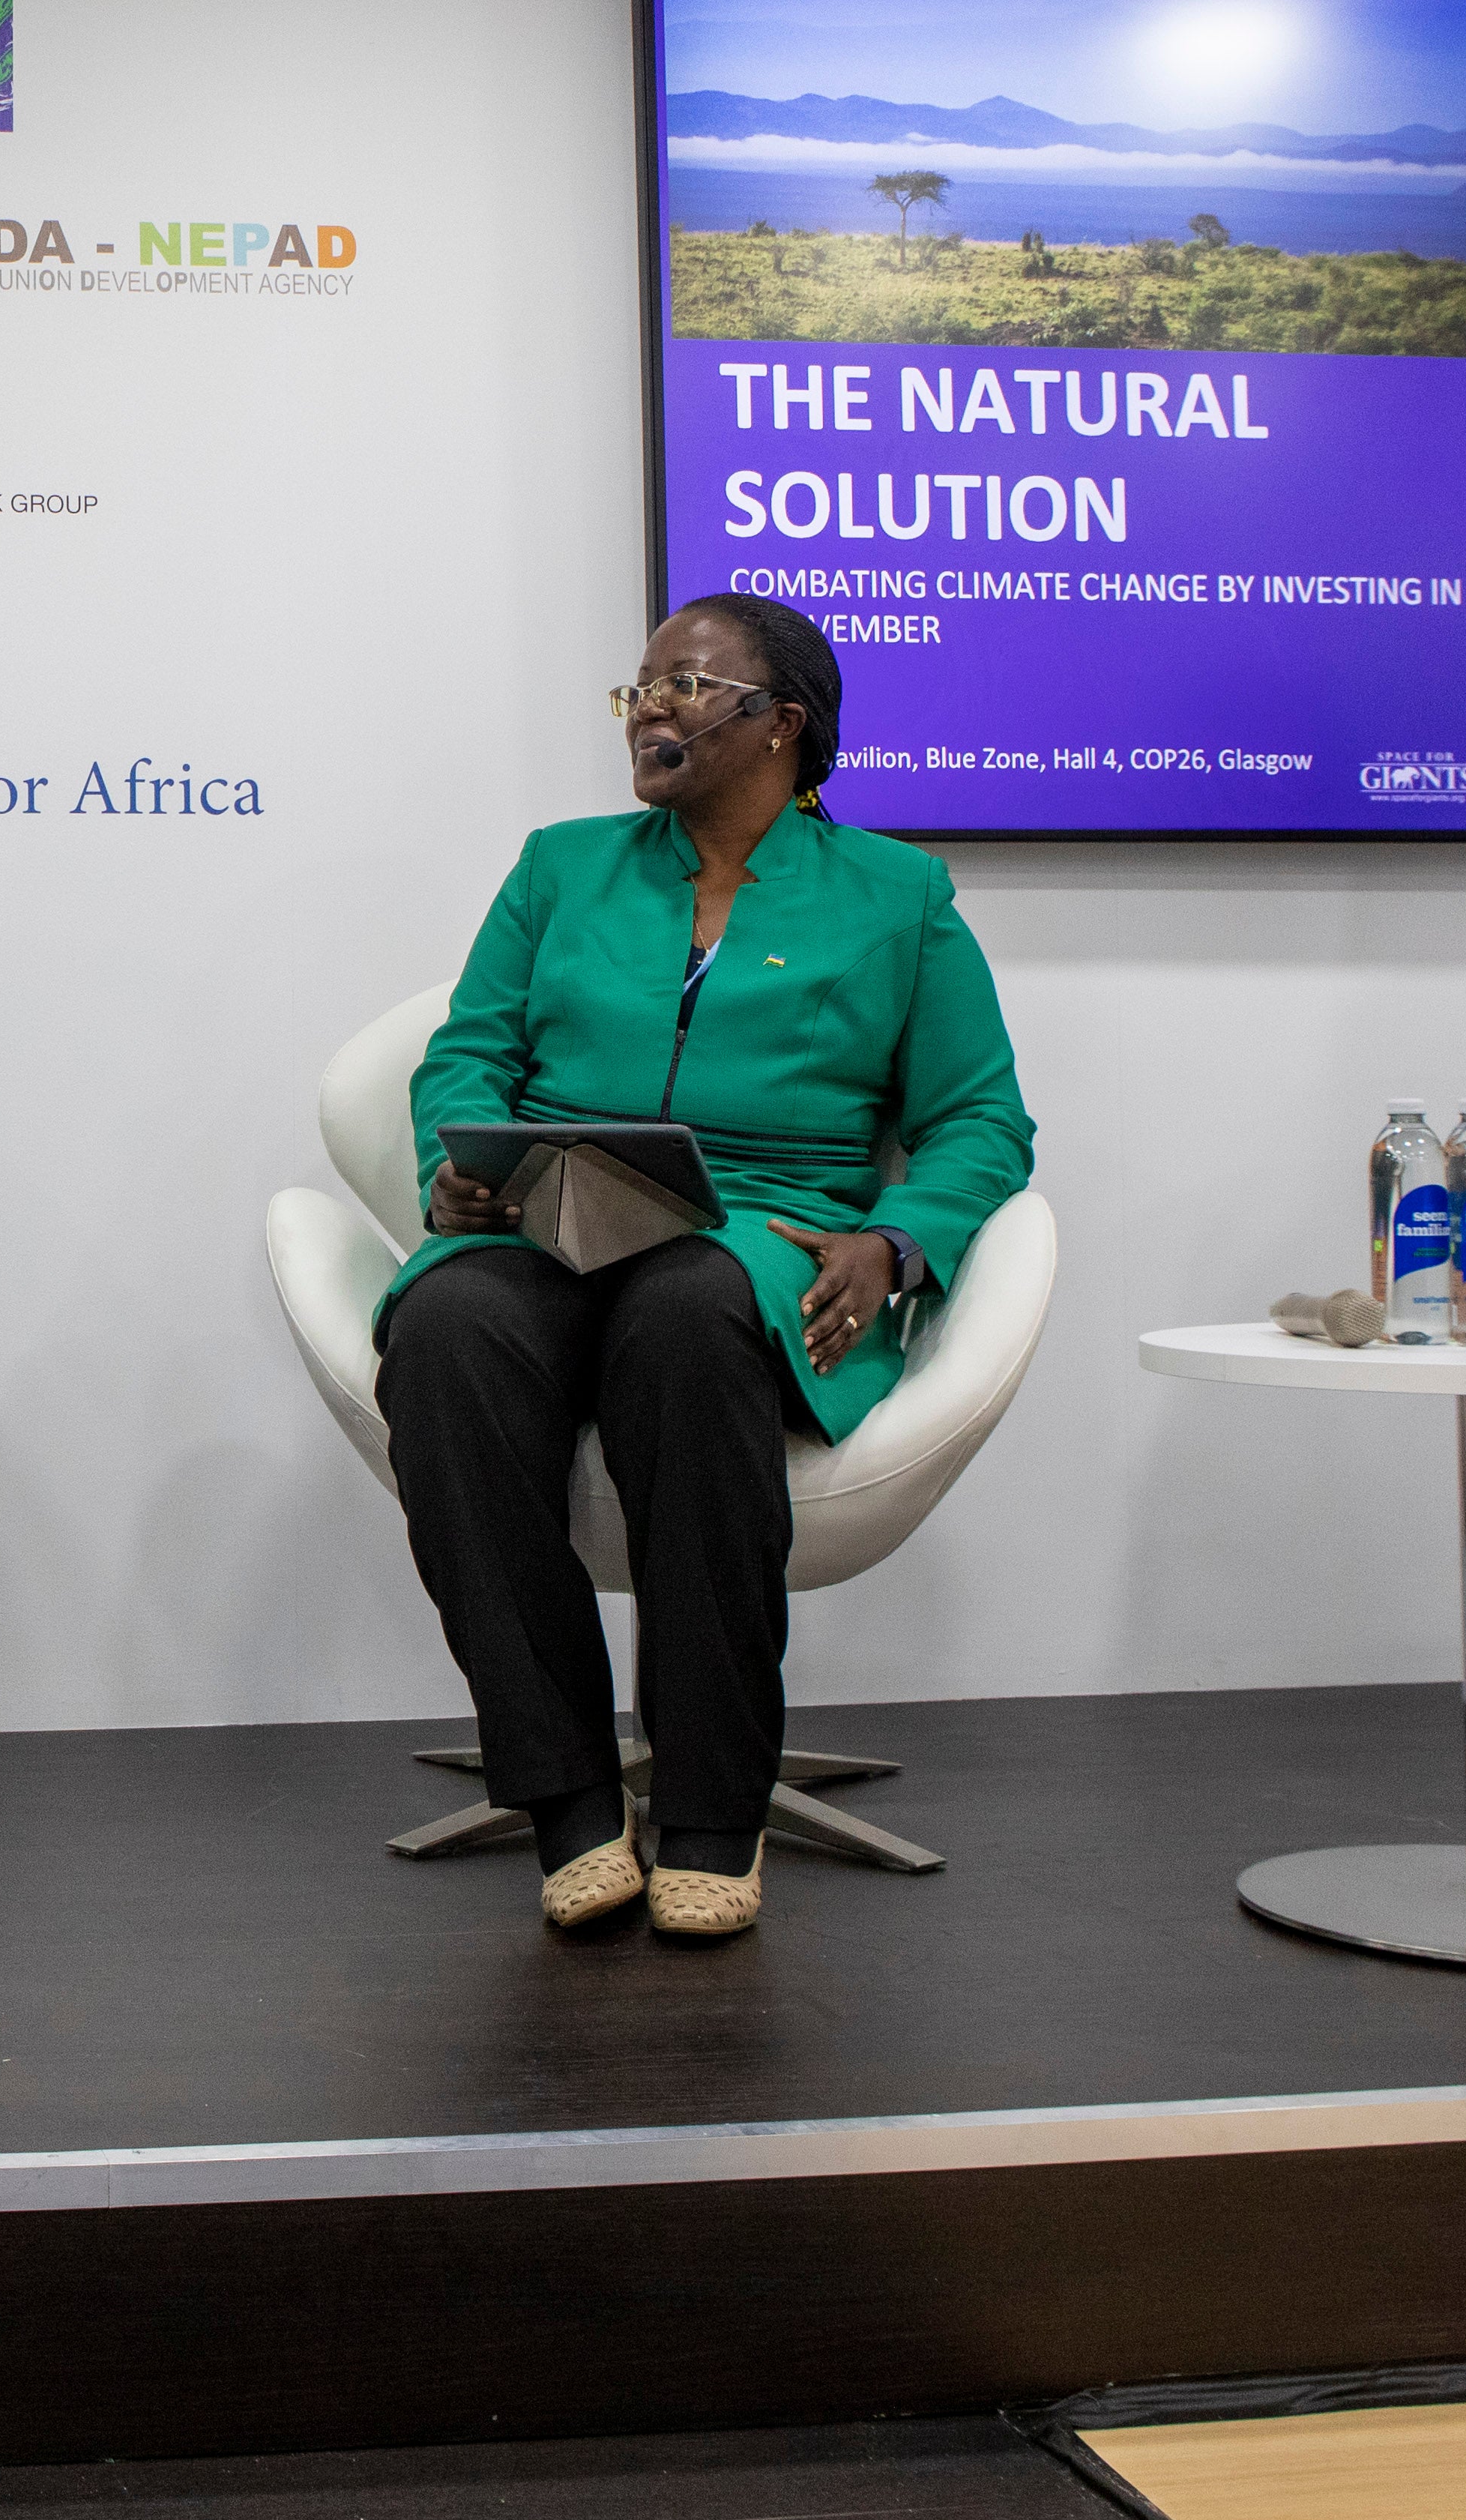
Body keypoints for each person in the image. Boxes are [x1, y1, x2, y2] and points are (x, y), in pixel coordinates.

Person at [375, 597, 1033, 1941]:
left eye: (684, 684)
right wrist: (461, 1158)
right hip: (550, 1212)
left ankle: (711, 1805)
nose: (651, 710)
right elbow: (465, 1054)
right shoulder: (561, 866)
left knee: (683, 1316)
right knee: (444, 1328)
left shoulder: (897, 894)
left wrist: (893, 1238)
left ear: (781, 723)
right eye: (637, 689)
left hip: (757, 1233)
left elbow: (980, 1120)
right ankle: (562, 1797)